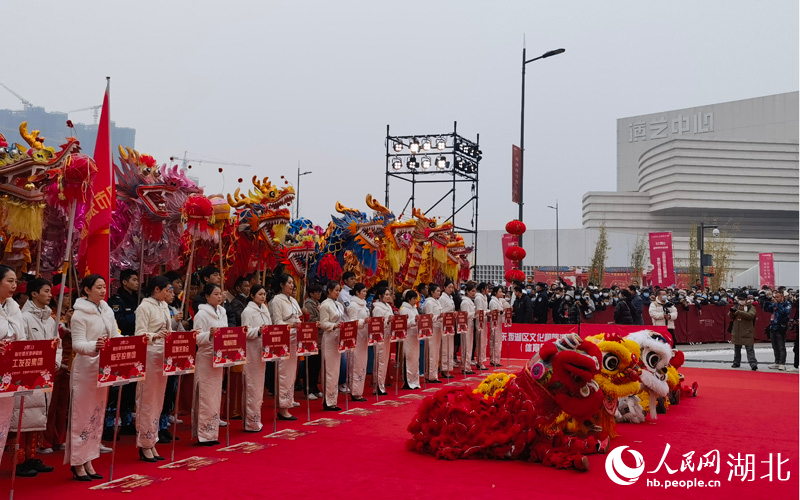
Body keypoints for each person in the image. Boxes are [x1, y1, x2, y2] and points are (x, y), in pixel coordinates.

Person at [66, 274, 121, 481]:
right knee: (82, 415)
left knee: (97, 415)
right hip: (85, 370)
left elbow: (115, 336)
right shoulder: (79, 315)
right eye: (98, 287)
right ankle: (77, 462)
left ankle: (89, 459)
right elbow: (78, 344)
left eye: (104, 287)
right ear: (87, 290)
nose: (102, 290)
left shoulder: (106, 310)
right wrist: (94, 346)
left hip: (103, 369)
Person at [10, 278, 59, 476]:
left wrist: (54, 362)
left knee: (37, 416)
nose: (50, 295)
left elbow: (57, 345)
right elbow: (23, 346)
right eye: (46, 291)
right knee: (22, 417)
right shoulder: (24, 317)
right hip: (29, 374)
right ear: (34, 294)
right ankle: (19, 459)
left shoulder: (50, 319)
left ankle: (31, 457)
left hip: (45, 375)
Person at [134, 276, 171, 462]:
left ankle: (152, 440)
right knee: (146, 400)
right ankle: (144, 443)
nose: (168, 293)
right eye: (166, 290)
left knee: (158, 399)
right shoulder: (144, 307)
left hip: (162, 357)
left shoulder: (164, 306)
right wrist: (155, 336)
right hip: (149, 356)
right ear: (157, 289)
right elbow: (139, 334)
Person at [0, 267, 29, 474]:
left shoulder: (14, 307)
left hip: (8, 372)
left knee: (2, 422)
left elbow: (22, 338)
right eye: (9, 281)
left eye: (15, 281)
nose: (14, 286)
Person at [192, 283, 228, 445]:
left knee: (215, 395)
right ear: (207, 297)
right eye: (215, 294)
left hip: (218, 357)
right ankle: (204, 434)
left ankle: (212, 432)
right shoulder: (201, 314)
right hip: (206, 357)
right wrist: (210, 334)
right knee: (205, 395)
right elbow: (196, 338)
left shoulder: (222, 312)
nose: (219, 297)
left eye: (220, 294)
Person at [268, 274, 302, 419]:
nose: (292, 285)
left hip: (295, 338)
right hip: (283, 339)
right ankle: (282, 407)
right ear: (281, 285)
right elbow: (276, 322)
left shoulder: (293, 300)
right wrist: (291, 325)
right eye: (289, 282)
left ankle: (289, 399)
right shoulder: (277, 300)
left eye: (292, 282)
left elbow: (299, 315)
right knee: (284, 372)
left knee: (292, 371)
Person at [240, 284, 271, 431]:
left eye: (264, 294)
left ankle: (256, 418)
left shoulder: (265, 309)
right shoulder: (248, 311)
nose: (263, 297)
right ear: (252, 296)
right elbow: (244, 332)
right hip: (252, 349)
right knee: (252, 385)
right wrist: (258, 331)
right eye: (260, 294)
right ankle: (250, 421)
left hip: (263, 349)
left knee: (259, 386)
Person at [319, 281, 344, 411]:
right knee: (329, 369)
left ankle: (333, 399)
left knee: (335, 369)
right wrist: (334, 325)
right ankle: (327, 401)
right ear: (329, 290)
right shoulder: (325, 305)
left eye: (339, 290)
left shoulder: (339, 305)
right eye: (336, 290)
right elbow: (322, 323)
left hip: (338, 338)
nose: (338, 292)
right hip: (329, 337)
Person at [346, 283, 369, 402]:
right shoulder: (353, 305)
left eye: (366, 291)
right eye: (363, 291)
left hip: (363, 337)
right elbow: (352, 322)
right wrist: (363, 321)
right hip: (357, 338)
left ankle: (359, 391)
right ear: (357, 292)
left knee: (362, 364)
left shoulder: (364, 305)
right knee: (356, 364)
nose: (365, 293)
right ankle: (355, 392)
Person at [301, 283, 323, 400]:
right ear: (311, 293)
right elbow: (309, 319)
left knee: (317, 365)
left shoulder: (318, 304)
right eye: (317, 292)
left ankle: (314, 387)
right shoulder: (308, 304)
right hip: (310, 338)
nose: (319, 294)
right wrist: (321, 320)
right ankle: (308, 388)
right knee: (310, 364)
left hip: (319, 338)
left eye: (320, 292)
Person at [371, 286, 394, 395]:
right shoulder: (377, 308)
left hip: (387, 336)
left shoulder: (388, 307)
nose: (388, 296)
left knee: (384, 360)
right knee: (380, 360)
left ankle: (381, 384)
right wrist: (387, 322)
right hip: (380, 337)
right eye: (386, 294)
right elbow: (377, 324)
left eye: (389, 294)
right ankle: (378, 385)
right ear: (380, 296)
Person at [763, 290, 792, 371]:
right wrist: (766, 301)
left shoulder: (787, 304)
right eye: (775, 297)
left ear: (782, 297)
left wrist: (777, 304)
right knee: (774, 346)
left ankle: (782, 363)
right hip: (773, 326)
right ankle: (777, 361)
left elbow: (785, 312)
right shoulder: (774, 304)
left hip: (781, 327)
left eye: (777, 297)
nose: (776, 298)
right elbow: (766, 309)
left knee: (781, 346)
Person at [729, 292, 758, 370]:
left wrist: (740, 312)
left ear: (746, 300)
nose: (741, 301)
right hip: (737, 331)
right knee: (737, 348)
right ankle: (736, 362)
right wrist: (732, 312)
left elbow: (751, 315)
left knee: (749, 349)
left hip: (747, 331)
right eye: (739, 299)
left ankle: (753, 363)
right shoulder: (736, 306)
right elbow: (730, 316)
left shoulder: (751, 307)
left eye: (742, 299)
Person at [399, 290, 421, 389]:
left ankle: (415, 380)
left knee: (415, 358)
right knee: (408, 357)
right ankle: (408, 381)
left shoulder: (414, 308)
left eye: (416, 299)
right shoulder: (403, 309)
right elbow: (404, 324)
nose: (415, 301)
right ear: (408, 299)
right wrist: (414, 321)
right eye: (413, 299)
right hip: (408, 336)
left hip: (415, 335)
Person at [423, 284, 444, 382]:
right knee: (432, 352)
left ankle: (434, 374)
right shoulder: (429, 303)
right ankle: (430, 375)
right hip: (432, 329)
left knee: (436, 352)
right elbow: (428, 317)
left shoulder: (437, 302)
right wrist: (438, 317)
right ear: (432, 292)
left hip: (438, 328)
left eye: (440, 291)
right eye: (437, 291)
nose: (439, 293)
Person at [438, 281, 456, 376]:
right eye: (449, 287)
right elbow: (442, 312)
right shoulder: (442, 298)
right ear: (444, 287)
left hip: (450, 324)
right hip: (444, 324)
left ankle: (448, 367)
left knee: (450, 346)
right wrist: (451, 313)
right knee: (445, 346)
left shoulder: (451, 298)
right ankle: (444, 368)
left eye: (452, 287)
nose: (451, 289)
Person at [459, 284, 477, 374]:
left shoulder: (470, 301)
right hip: (466, 324)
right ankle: (465, 366)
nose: (474, 293)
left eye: (475, 291)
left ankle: (467, 365)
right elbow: (464, 315)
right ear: (467, 291)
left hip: (470, 323)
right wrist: (474, 313)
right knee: (466, 345)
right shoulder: (465, 302)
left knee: (469, 345)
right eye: (472, 291)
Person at [473, 283, 489, 370]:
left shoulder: (485, 297)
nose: (488, 290)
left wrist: (489, 312)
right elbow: (479, 311)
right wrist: (487, 312)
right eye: (486, 288)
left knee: (483, 341)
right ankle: (479, 361)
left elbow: (484, 310)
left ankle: (481, 360)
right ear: (483, 289)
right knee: (480, 341)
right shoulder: (478, 298)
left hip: (484, 320)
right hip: (480, 321)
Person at [488, 286, 505, 367]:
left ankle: (497, 359)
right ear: (495, 293)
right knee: (495, 341)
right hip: (495, 323)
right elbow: (494, 314)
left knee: (498, 341)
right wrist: (501, 312)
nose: (501, 293)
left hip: (499, 323)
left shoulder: (499, 301)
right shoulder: (493, 301)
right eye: (500, 291)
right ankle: (494, 360)